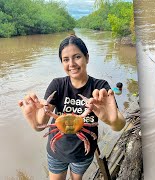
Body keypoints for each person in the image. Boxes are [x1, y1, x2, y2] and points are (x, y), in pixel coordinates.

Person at [18, 35, 126, 179]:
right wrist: (34, 122)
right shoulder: (57, 85)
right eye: (66, 59)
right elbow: (42, 124)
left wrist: (112, 121)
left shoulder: (100, 87)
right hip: (56, 152)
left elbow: (119, 125)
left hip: (83, 154)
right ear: (62, 62)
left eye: (77, 57)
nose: (72, 64)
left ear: (87, 57)